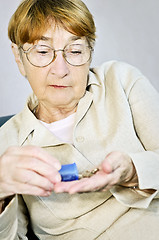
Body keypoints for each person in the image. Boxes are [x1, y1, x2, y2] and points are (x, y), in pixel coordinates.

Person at [0, 0, 159, 239]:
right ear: (19, 57)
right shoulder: (7, 143)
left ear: (90, 52)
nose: (60, 69)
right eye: (43, 52)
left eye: (75, 51)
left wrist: (132, 171)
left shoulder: (121, 81)